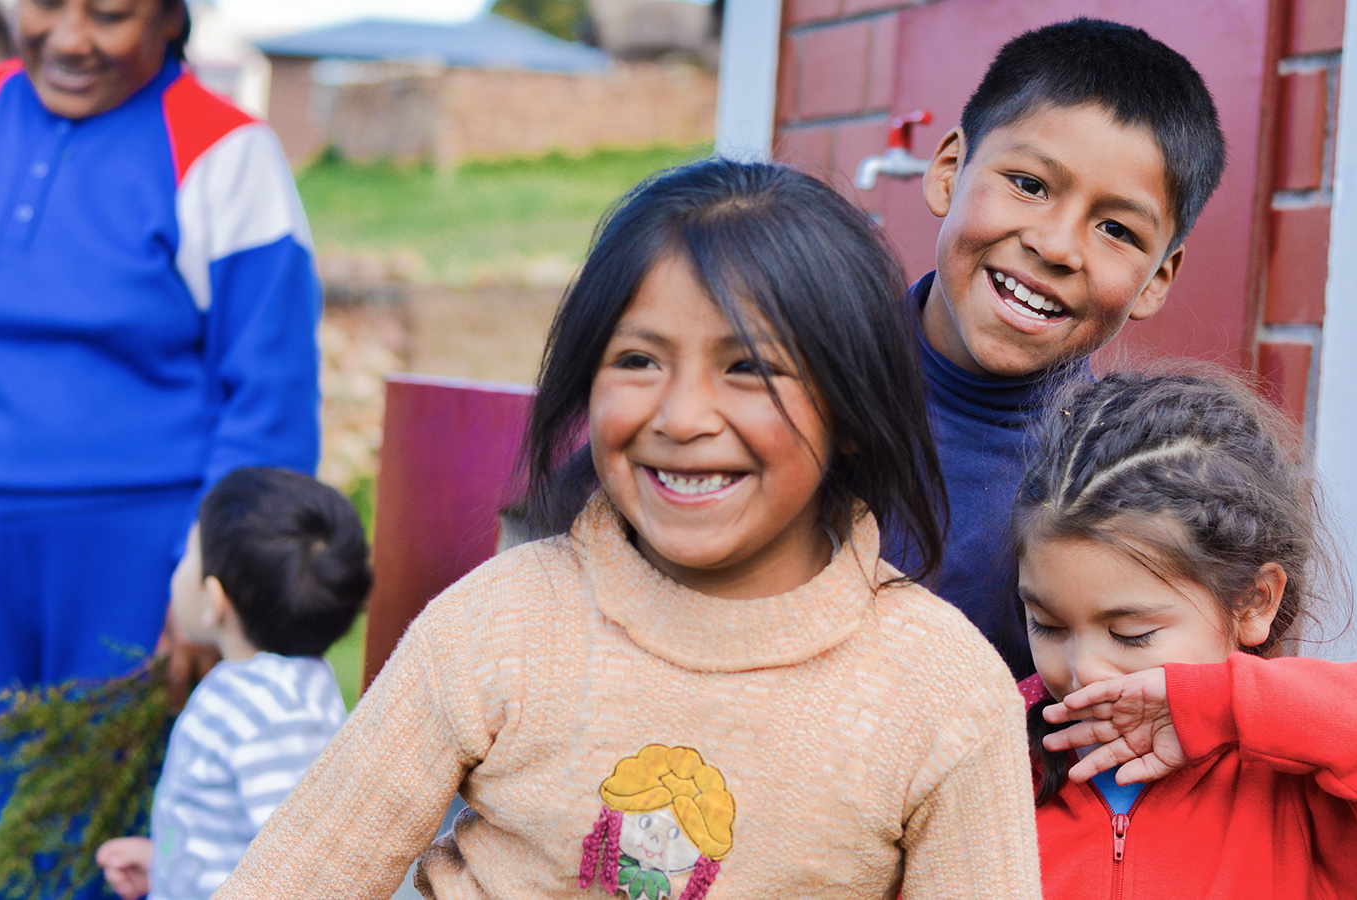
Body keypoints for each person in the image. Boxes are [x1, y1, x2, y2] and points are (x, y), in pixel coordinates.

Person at [215, 159, 1041, 899]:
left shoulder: (943, 693)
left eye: (749, 368)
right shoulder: (499, 622)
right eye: (639, 360)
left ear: (855, 412)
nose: (680, 417)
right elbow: (295, 876)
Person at [0, 0, 320, 888]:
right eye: (46, 6)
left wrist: (217, 572)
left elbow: (268, 396)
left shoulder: (225, 153)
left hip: (138, 554)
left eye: (109, 15)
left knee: (104, 817)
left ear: (172, 14)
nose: (71, 41)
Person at [883, 18, 1227, 679]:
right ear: (949, 172)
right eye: (1030, 185)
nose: (1058, 246)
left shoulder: (1120, 491)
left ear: (1157, 280)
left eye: (1116, 229)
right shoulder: (798, 377)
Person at [1010, 371, 1357, 898]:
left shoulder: (1300, 790)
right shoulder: (995, 763)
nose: (1083, 670)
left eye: (1131, 633)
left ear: (1254, 601)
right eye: (1047, 624)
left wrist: (1225, 704)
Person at [96, 467, 371, 900]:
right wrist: (168, 866)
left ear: (215, 601)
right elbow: (244, 834)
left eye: (188, 556)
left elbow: (301, 871)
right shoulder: (276, 686)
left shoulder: (273, 713)